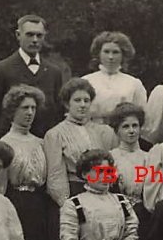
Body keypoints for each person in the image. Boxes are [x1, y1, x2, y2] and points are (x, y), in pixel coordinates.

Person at [0, 85, 54, 240]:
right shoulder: (4, 144)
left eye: (33, 108)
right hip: (17, 204)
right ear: (13, 110)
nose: (30, 112)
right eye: (24, 108)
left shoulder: (41, 142)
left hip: (41, 204)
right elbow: (0, 188)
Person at [0, 14, 65, 137]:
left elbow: (58, 113)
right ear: (18, 35)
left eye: (39, 35)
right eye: (30, 35)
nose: (35, 40)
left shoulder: (54, 72)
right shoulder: (0, 70)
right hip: (9, 144)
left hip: (45, 144)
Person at [43, 78, 116, 207]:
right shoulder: (55, 134)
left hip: (103, 191)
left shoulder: (103, 131)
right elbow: (55, 176)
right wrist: (68, 205)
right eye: (77, 100)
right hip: (75, 192)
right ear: (67, 104)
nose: (82, 105)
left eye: (86, 101)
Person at [82, 31, 148, 124]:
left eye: (115, 52)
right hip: (91, 131)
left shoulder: (133, 83)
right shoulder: (86, 81)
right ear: (99, 54)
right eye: (106, 52)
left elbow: (141, 115)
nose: (110, 57)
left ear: (123, 55)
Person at [108, 102, 149, 208]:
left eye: (135, 125)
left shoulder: (149, 158)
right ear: (117, 131)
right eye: (125, 126)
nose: (131, 131)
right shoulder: (110, 158)